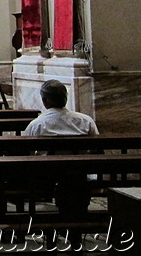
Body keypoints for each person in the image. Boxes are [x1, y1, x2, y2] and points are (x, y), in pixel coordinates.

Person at [23, 80, 99, 248]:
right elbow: (96, 150)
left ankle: (61, 225)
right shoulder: (85, 121)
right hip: (80, 177)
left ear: (45, 101)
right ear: (65, 98)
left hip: (48, 180)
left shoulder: (37, 124)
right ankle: (75, 227)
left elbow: (28, 155)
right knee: (75, 181)